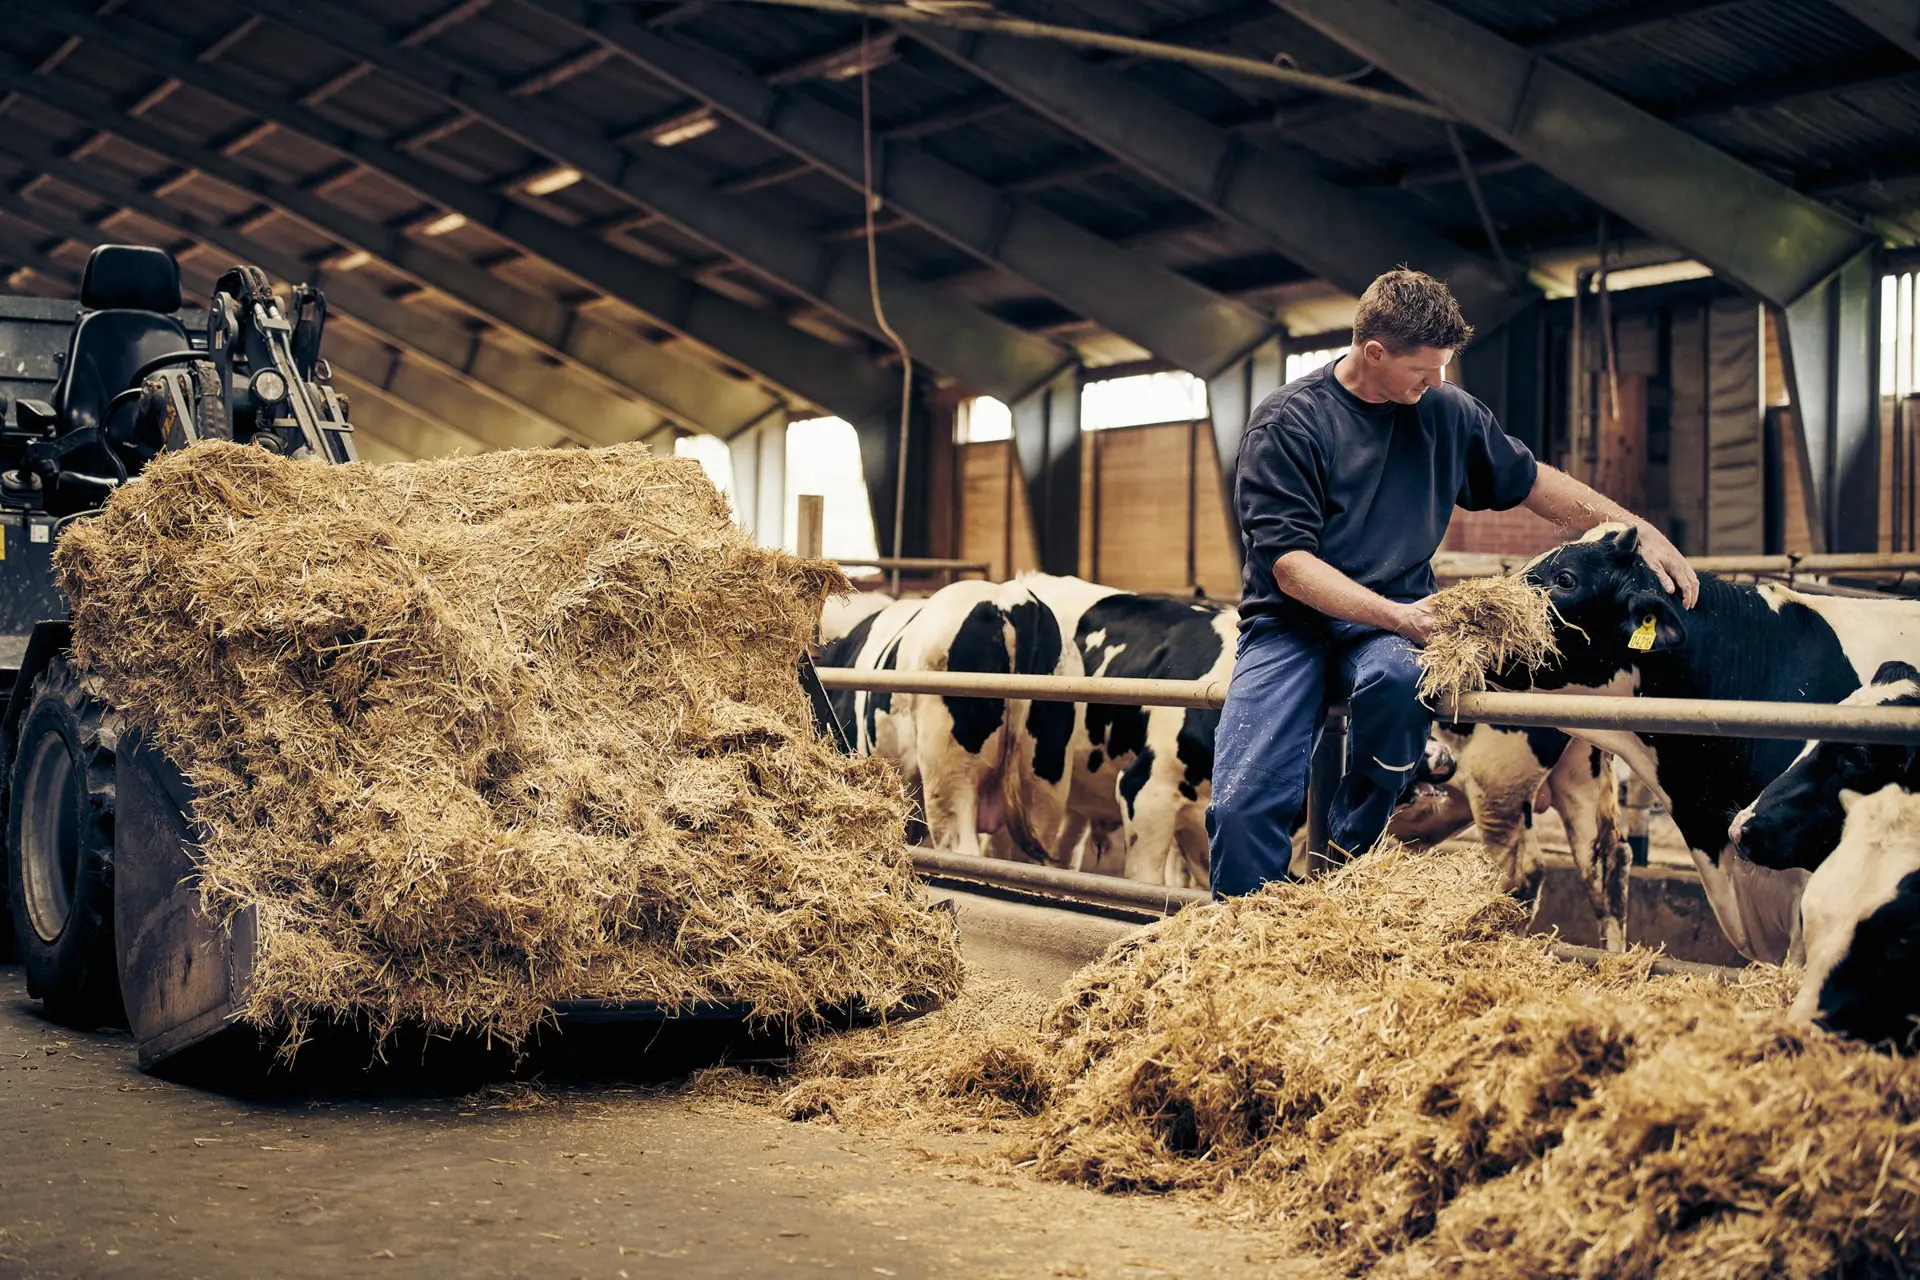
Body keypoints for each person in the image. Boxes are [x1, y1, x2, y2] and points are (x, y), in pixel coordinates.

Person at [1207, 269, 1697, 898]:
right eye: (1423, 370)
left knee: (1400, 675)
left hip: (1394, 625)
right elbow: (1290, 566)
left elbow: (1537, 485)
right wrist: (1399, 616)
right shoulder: (1289, 424)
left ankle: (1346, 873)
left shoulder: (1445, 412)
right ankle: (1244, 939)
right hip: (1291, 626)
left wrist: (1633, 528)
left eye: (1444, 368)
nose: (1436, 382)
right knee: (1243, 804)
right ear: (1373, 352)